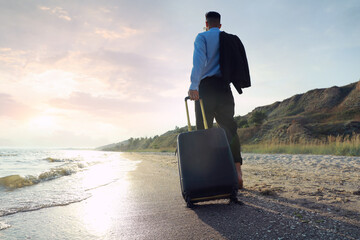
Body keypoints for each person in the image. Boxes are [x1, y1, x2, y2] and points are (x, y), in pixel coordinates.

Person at [188, 11, 249, 189]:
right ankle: (237, 173)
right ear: (220, 25)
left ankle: (209, 175)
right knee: (229, 129)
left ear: (206, 23)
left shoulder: (202, 36)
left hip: (206, 89)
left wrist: (194, 85)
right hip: (224, 88)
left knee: (203, 131)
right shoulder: (230, 39)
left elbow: (199, 61)